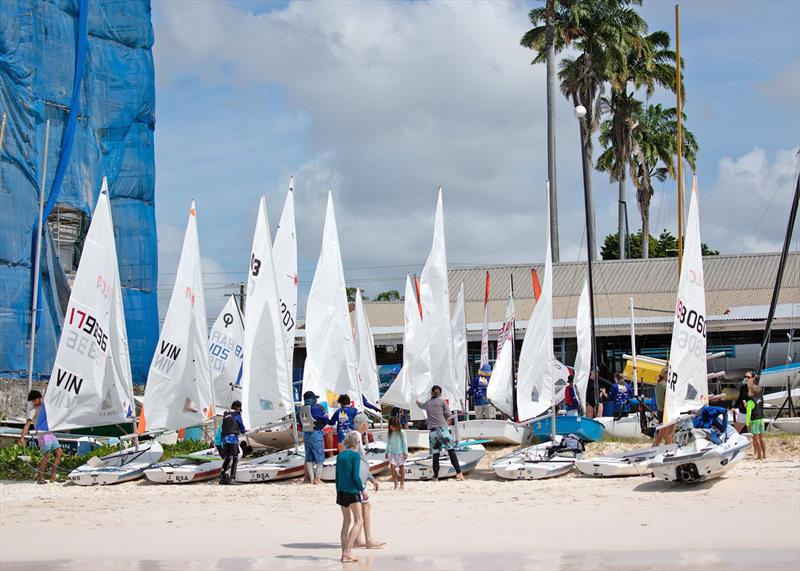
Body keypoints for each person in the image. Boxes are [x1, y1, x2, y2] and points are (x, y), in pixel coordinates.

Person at [416, 385, 463, 481]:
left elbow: (421, 405)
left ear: (431, 393)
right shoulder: (442, 402)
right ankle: (459, 473)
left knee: (435, 455)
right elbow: (448, 416)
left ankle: (436, 477)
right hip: (443, 430)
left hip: (433, 433)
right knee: (451, 452)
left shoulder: (427, 403)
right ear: (440, 393)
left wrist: (417, 401)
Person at [353, 413, 385, 550]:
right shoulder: (357, 437)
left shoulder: (354, 436)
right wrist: (367, 479)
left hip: (357, 477)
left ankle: (358, 539)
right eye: (368, 424)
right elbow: (359, 459)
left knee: (360, 507)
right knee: (365, 507)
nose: (368, 426)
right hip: (358, 478)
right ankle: (368, 539)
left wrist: (370, 477)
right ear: (364, 424)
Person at [18, 390, 62, 484]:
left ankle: (53, 477)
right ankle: (40, 478)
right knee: (46, 455)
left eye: (35, 399)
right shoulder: (33, 410)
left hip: (49, 432)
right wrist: (22, 437)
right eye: (32, 401)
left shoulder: (46, 406)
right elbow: (27, 424)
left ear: (40, 398)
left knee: (58, 453)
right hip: (42, 434)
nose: (34, 402)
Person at [335, 431, 365, 564]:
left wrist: (338, 491)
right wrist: (362, 490)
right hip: (352, 491)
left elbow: (337, 477)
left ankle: (343, 554)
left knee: (346, 522)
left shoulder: (340, 456)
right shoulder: (355, 456)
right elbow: (356, 477)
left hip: (341, 491)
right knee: (359, 521)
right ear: (357, 442)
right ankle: (347, 552)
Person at [300, 391, 329, 484]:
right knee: (319, 456)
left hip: (306, 434)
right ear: (312, 399)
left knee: (309, 457)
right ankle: (317, 479)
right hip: (316, 433)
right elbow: (325, 420)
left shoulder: (301, 409)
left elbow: (300, 423)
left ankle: (311, 479)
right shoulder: (316, 408)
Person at [219, 400, 246, 485]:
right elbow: (242, 429)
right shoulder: (237, 415)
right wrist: (244, 431)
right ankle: (232, 479)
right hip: (232, 439)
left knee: (227, 458)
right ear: (238, 407)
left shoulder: (226, 414)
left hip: (224, 439)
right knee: (235, 458)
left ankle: (222, 477)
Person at [385, 416, 408, 489]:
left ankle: (402, 483)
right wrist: (386, 452)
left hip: (401, 452)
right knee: (392, 467)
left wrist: (406, 452)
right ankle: (395, 483)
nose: (392, 428)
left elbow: (405, 443)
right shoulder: (390, 433)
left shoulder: (402, 432)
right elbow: (388, 443)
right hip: (393, 453)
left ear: (397, 425)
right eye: (390, 427)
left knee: (401, 468)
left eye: (393, 427)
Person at [746, 384, 766, 460]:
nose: (748, 392)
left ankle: (759, 456)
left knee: (756, 438)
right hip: (761, 420)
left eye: (749, 391)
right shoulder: (761, 398)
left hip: (755, 421)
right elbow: (758, 407)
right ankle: (764, 454)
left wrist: (747, 424)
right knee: (762, 438)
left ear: (752, 392)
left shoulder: (750, 402)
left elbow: (748, 414)